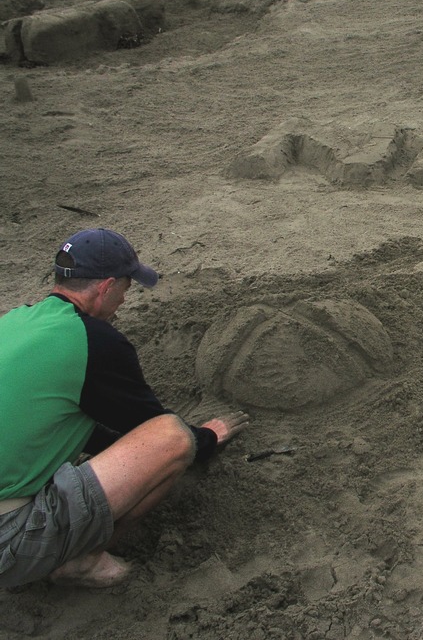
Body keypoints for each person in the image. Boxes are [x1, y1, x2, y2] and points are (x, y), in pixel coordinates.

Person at [0, 228, 250, 589]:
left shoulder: (15, 321)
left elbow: (69, 422)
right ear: (105, 287)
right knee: (173, 439)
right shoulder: (94, 341)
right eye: (125, 288)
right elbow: (153, 427)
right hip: (10, 540)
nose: (124, 299)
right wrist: (208, 437)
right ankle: (82, 559)